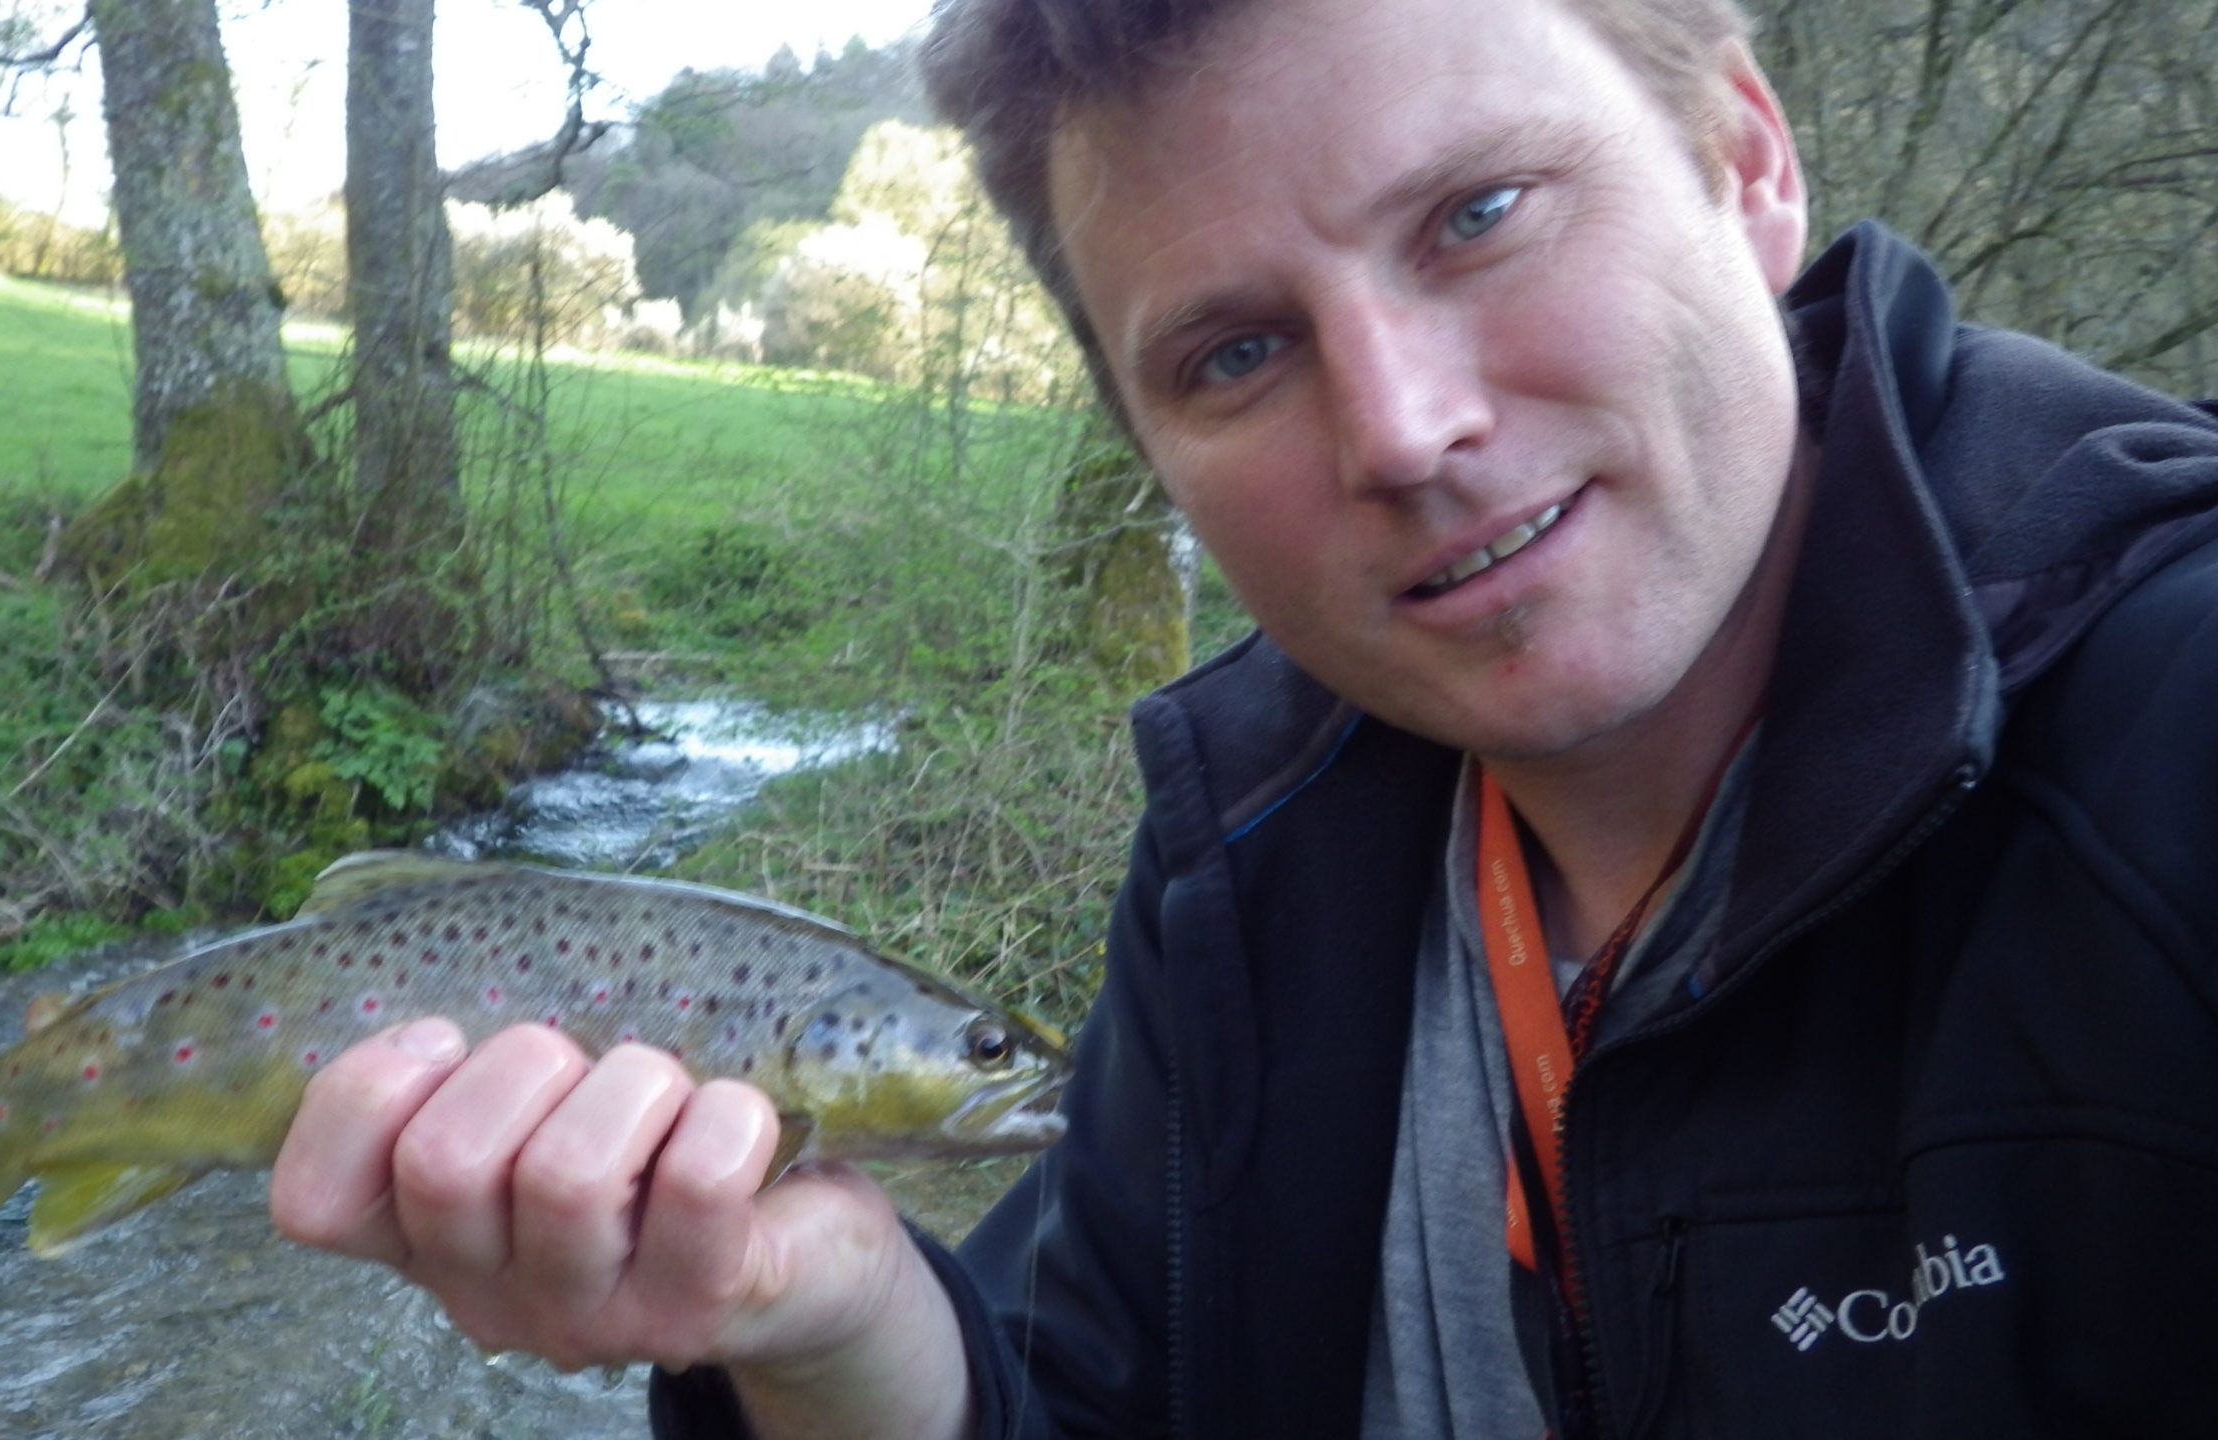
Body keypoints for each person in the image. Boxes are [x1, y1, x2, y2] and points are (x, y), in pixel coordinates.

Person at [267, 0, 2218, 1432]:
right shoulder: (1248, 854)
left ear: (1746, 161)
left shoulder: (2171, 731)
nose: (1399, 428)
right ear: (1153, 454)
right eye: (1233, 353)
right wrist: (815, 1318)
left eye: (1476, 214)